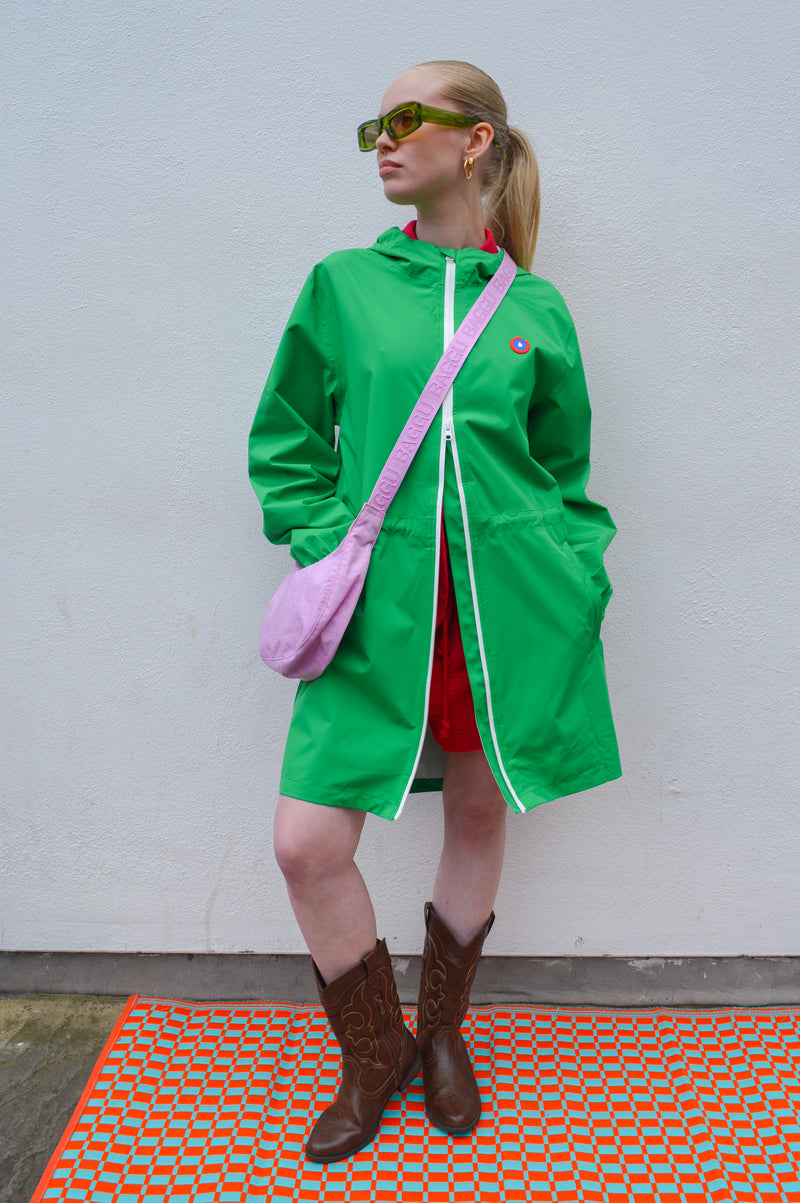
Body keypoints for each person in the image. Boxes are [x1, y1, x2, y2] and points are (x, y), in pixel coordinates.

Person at [248, 60, 621, 1163]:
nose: (383, 139)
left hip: (508, 618)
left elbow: (563, 473)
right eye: (374, 123)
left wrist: (578, 574)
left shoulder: (536, 309)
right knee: (307, 844)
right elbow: (286, 444)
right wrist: (331, 546)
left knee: (475, 816)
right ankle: (377, 1056)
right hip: (381, 615)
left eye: (405, 119)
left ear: (474, 141)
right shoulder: (343, 285)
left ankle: (443, 1034)